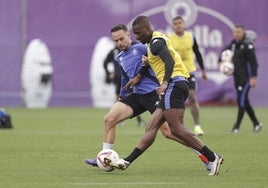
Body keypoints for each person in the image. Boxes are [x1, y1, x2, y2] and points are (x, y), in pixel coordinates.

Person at [104, 16, 223, 176]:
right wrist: (141, 73)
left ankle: (212, 157)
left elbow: (169, 61)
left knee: (176, 129)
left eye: (138, 33)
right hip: (172, 85)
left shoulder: (155, 43)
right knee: (152, 127)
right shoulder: (151, 43)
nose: (137, 37)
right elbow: (154, 62)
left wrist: (165, 82)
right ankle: (126, 161)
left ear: (147, 29)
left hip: (174, 84)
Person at [219, 24, 262, 133]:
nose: (237, 34)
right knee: (245, 102)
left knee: (241, 101)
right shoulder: (233, 45)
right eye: (235, 32)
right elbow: (224, 52)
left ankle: (236, 126)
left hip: (247, 79)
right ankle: (257, 123)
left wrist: (254, 77)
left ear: (243, 33)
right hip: (237, 78)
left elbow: (254, 64)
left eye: (239, 32)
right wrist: (221, 61)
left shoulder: (248, 46)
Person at [169, 16, 207, 136]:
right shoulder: (168, 38)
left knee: (193, 97)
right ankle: (181, 127)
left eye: (180, 23)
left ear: (184, 24)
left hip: (189, 71)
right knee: (178, 100)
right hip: (175, 72)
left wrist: (203, 70)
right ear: (173, 26)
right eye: (175, 23)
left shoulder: (191, 37)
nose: (178, 25)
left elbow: (198, 53)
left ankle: (197, 126)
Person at [103, 46, 145, 126]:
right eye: (116, 40)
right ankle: (119, 119)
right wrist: (109, 73)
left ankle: (139, 120)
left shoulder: (132, 50)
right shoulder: (114, 51)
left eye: (121, 39)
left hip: (129, 78)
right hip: (119, 78)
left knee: (134, 97)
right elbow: (105, 62)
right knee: (119, 97)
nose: (119, 43)